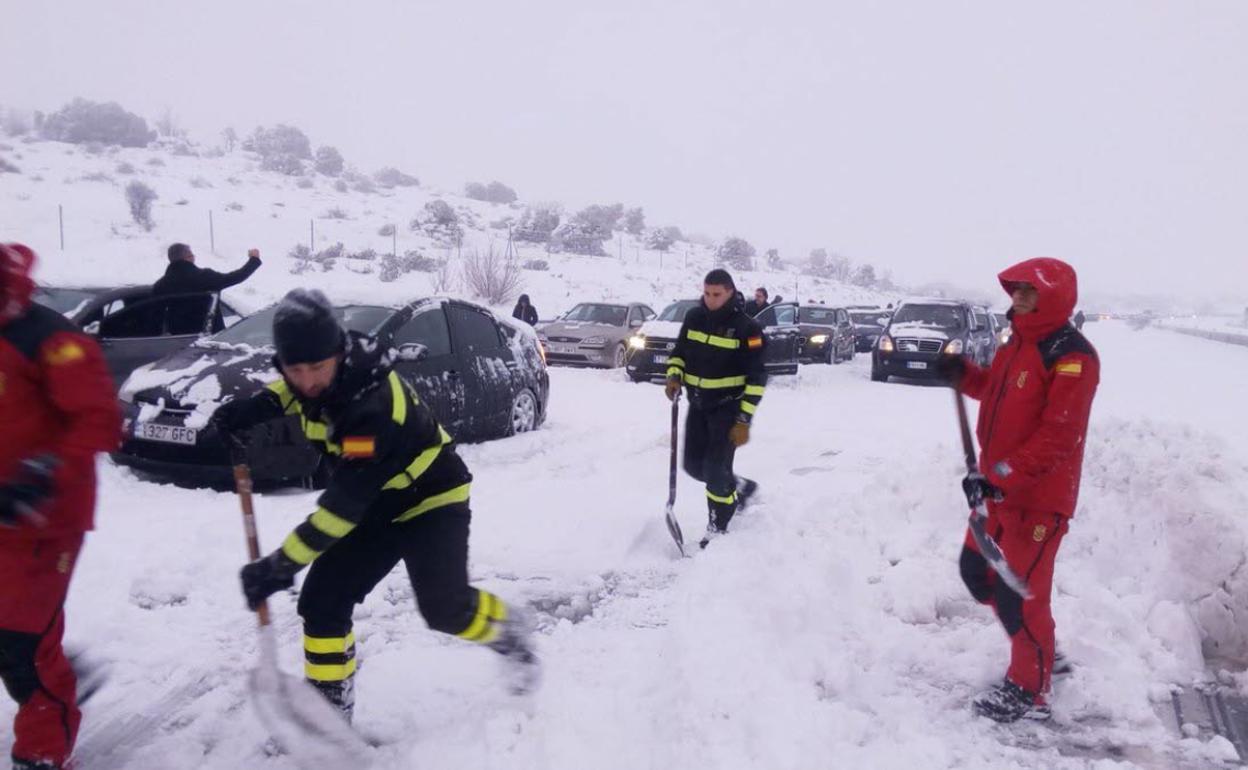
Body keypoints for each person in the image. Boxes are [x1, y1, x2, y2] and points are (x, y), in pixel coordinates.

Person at [212, 289, 539, 721]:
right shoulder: (324, 373)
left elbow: (340, 510)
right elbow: (303, 393)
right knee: (323, 602)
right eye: (295, 369)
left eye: (317, 368)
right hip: (375, 504)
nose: (307, 379)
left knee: (445, 608)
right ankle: (329, 711)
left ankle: (507, 631)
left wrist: (280, 565)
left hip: (430, 500)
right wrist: (257, 407)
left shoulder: (371, 407)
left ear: (339, 355)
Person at [937, 257, 1099, 723]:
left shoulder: (1072, 355)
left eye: (1029, 291)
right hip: (996, 492)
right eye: (1016, 290)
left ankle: (1031, 688)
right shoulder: (1016, 341)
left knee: (1018, 594)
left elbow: (1059, 434)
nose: (1019, 298)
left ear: (1054, 295)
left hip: (1038, 501)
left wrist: (1002, 474)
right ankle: (1040, 645)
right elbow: (994, 390)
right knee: (976, 573)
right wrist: (963, 374)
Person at [0, 243, 122, 770]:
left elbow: (100, 419)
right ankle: (60, 672)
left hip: (45, 519)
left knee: (22, 644)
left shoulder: (54, 341)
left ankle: (43, 751)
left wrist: (41, 473)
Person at [664, 270, 766, 549]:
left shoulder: (748, 329)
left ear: (730, 292)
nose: (710, 300)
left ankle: (717, 528)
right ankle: (740, 488)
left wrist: (744, 419)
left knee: (715, 469)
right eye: (707, 293)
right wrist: (674, 375)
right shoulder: (694, 317)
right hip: (698, 404)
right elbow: (680, 353)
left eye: (717, 294)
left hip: (728, 408)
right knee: (694, 466)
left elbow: (757, 379)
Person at [153, 243, 262, 296]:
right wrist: (253, 260)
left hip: (173, 338)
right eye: (192, 255)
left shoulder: (160, 286)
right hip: (209, 338)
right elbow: (235, 278)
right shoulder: (204, 277)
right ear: (189, 257)